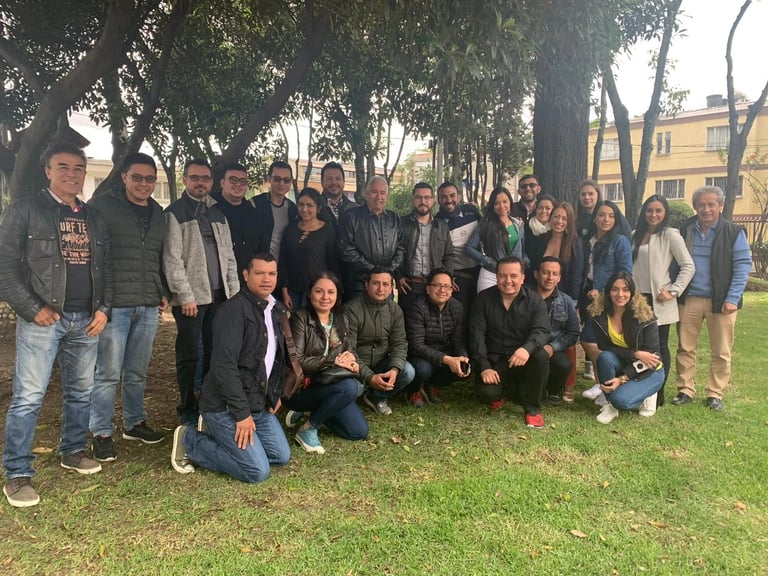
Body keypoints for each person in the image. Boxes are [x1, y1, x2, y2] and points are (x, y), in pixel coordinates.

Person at [0, 141, 113, 507]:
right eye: (63, 167)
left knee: (81, 392)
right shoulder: (25, 211)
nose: (71, 174)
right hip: (43, 321)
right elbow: (5, 267)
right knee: (29, 397)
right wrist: (32, 308)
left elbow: (107, 269)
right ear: (47, 171)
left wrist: (104, 309)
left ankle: (73, 451)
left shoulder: (94, 217)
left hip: (87, 320)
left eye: (78, 168)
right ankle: (18, 472)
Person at [170, 254, 291, 481]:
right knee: (257, 471)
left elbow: (276, 359)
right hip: (224, 406)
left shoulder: (275, 309)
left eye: (271, 273)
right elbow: (223, 366)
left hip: (257, 402)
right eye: (259, 273)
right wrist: (242, 415)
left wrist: (274, 394)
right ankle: (190, 440)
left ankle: (223, 438)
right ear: (245, 275)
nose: (266, 279)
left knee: (280, 455)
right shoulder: (232, 311)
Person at [88, 152, 167, 463]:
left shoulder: (158, 213)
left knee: (137, 371)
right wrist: (98, 302)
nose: (144, 184)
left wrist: (162, 291)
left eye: (150, 179)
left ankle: (134, 423)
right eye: (137, 177)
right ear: (124, 177)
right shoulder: (101, 207)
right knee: (107, 373)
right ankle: (101, 432)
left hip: (147, 304)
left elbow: (158, 257)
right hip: (114, 305)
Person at [163, 158, 240, 425]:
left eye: (205, 178)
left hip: (220, 298)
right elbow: (172, 259)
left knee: (214, 352)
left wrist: (234, 294)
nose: (200, 183)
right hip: (192, 301)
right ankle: (187, 409)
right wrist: (185, 296)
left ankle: (208, 405)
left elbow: (229, 257)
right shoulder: (175, 213)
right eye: (194, 177)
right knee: (189, 356)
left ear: (211, 181)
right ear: (185, 179)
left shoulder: (218, 213)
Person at [673, 186, 752, 411]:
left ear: (721, 206)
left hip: (722, 301)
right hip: (690, 298)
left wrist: (732, 298)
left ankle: (715, 393)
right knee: (685, 347)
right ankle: (685, 389)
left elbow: (742, 266)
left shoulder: (733, 232)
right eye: (701, 204)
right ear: (694, 206)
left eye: (711, 204)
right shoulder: (685, 229)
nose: (706, 209)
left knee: (721, 351)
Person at [283, 272, 369, 454]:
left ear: (337, 295)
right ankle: (308, 428)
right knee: (350, 387)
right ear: (310, 293)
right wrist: (333, 360)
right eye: (319, 291)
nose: (325, 297)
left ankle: (315, 412)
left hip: (330, 384)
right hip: (302, 388)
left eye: (331, 292)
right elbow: (297, 362)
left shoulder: (341, 318)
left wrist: (352, 361)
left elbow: (349, 351)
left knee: (358, 432)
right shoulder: (300, 318)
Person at [469, 256, 550, 428]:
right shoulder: (483, 299)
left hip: (522, 360)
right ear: (496, 277)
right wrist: (484, 367)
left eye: (513, 276)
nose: (508, 281)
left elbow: (542, 331)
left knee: (541, 355)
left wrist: (526, 349)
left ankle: (533, 410)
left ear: (523, 278)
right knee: (486, 394)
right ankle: (505, 391)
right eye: (502, 276)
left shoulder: (535, 301)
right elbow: (476, 336)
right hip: (495, 361)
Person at [631, 194, 695, 407]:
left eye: (658, 210)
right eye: (650, 210)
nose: (653, 214)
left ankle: (657, 393)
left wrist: (674, 290)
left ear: (665, 212)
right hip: (637, 299)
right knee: (639, 345)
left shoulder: (670, 235)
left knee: (659, 346)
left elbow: (688, 266)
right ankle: (640, 387)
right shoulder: (635, 235)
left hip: (659, 299)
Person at [589, 272, 665, 424]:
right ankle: (611, 405)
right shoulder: (599, 315)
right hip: (625, 361)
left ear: (632, 292)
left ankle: (646, 396)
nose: (620, 294)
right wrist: (635, 354)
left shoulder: (645, 316)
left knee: (621, 401)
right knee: (604, 357)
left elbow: (651, 358)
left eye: (625, 290)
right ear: (608, 291)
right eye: (615, 289)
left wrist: (623, 378)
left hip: (649, 370)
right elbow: (604, 347)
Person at [580, 200, 633, 398]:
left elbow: (625, 273)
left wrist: (604, 292)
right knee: (592, 340)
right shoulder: (589, 240)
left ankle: (606, 383)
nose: (606, 219)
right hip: (589, 294)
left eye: (611, 216)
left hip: (609, 298)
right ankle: (602, 384)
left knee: (590, 340)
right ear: (594, 218)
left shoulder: (620, 241)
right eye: (601, 215)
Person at [345, 268, 416, 415]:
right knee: (355, 389)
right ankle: (363, 390)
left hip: (381, 363)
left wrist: (394, 369)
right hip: (356, 367)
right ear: (367, 285)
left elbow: (399, 343)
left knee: (408, 371)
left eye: (385, 284)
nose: (380, 289)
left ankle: (376, 397)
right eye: (375, 283)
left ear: (391, 288)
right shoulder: (351, 309)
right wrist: (369, 377)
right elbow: (348, 350)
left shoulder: (395, 310)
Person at [404, 268, 470, 408]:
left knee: (465, 365)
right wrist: (447, 359)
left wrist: (462, 357)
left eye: (447, 286)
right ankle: (413, 390)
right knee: (423, 369)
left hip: (442, 352)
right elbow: (416, 345)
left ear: (451, 290)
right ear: (428, 289)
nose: (442, 290)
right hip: (419, 355)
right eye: (437, 285)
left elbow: (458, 340)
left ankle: (431, 385)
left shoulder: (456, 307)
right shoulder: (417, 307)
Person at [338, 176, 406, 299]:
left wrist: (388, 271)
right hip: (359, 286)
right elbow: (347, 250)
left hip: (385, 285)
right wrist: (373, 270)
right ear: (366, 193)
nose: (379, 197)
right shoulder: (351, 216)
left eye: (382, 193)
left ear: (387, 195)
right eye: (374, 192)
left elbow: (400, 248)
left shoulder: (395, 219)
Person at [397, 182, 456, 313]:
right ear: (413, 200)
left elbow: (449, 255)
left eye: (427, 197)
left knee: (434, 321)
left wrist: (446, 279)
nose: (423, 201)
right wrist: (398, 276)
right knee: (409, 323)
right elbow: (393, 252)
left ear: (433, 201)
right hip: (409, 286)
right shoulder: (401, 224)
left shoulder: (442, 226)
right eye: (418, 197)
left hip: (435, 287)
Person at [278, 187, 340, 311]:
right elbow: (283, 262)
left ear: (318, 208)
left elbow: (333, 264)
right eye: (301, 205)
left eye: (310, 205)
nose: (304, 209)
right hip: (293, 291)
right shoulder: (290, 230)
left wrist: (332, 292)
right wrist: (284, 291)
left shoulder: (328, 231)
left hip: (318, 291)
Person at [534, 257, 580, 406]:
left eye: (555, 274)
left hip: (552, 349)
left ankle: (553, 390)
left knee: (564, 364)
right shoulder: (525, 297)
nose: (550, 277)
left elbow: (573, 332)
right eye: (546, 272)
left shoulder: (566, 301)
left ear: (559, 278)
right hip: (529, 348)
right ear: (536, 274)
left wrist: (553, 347)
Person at [435, 181, 481, 326]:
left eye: (452, 195)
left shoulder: (471, 211)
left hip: (480, 272)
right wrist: (448, 277)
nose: (449, 200)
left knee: (481, 314)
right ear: (438, 200)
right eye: (444, 197)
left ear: (459, 197)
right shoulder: (436, 222)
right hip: (458, 278)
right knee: (462, 317)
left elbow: (489, 226)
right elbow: (437, 255)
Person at [466, 186, 526, 293]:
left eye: (505, 202)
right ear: (492, 205)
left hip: (513, 275)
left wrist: (524, 263)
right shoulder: (486, 223)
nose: (501, 206)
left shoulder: (518, 224)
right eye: (497, 203)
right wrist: (487, 261)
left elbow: (522, 248)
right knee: (487, 303)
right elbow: (469, 248)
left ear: (510, 203)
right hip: (491, 274)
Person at [211, 162, 259, 278]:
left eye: (242, 181)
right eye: (233, 180)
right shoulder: (210, 209)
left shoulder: (252, 210)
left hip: (246, 276)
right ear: (222, 182)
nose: (238, 184)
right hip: (217, 276)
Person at [527, 202, 583, 300]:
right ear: (550, 218)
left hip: (563, 297)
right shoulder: (541, 239)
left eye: (564, 219)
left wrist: (572, 301)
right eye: (556, 217)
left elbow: (576, 277)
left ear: (569, 222)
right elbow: (534, 267)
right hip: (538, 295)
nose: (559, 221)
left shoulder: (574, 244)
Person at [250, 160, 298, 261]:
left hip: (284, 265)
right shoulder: (255, 204)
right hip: (259, 263)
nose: (282, 183)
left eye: (286, 180)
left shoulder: (293, 209)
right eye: (277, 179)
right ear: (269, 179)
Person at [523, 194, 556, 283]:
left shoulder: (556, 230)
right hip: (528, 276)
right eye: (540, 208)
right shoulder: (525, 227)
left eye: (548, 208)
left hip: (550, 278)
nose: (543, 211)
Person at [319, 161, 358, 229]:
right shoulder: (313, 208)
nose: (334, 182)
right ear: (322, 182)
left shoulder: (355, 209)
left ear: (343, 182)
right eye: (329, 179)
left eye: (338, 178)